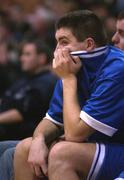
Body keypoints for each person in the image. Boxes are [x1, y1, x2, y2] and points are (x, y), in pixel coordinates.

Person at [12, 10, 124, 180]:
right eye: (56, 42)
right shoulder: (72, 67)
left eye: (63, 42)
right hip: (95, 145)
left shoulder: (116, 68)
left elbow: (74, 134)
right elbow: (52, 120)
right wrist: (38, 140)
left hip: (118, 147)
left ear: (89, 45)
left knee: (62, 153)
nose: (57, 50)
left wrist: (69, 80)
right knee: (24, 148)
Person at [0, 39, 57, 140]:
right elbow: (5, 99)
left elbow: (23, 113)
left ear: (41, 58)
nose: (22, 58)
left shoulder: (47, 82)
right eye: (22, 54)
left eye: (27, 54)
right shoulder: (25, 79)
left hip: (21, 137)